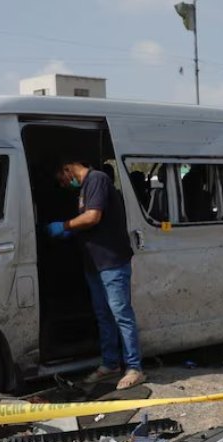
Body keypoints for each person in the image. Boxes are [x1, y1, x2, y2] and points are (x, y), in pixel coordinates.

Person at [45, 158, 144, 389]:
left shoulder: (96, 179)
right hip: (95, 264)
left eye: (62, 180)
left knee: (121, 314)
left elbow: (92, 216)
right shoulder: (84, 188)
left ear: (67, 169)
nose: (64, 185)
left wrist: (65, 226)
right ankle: (110, 364)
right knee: (103, 315)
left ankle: (134, 367)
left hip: (111, 261)